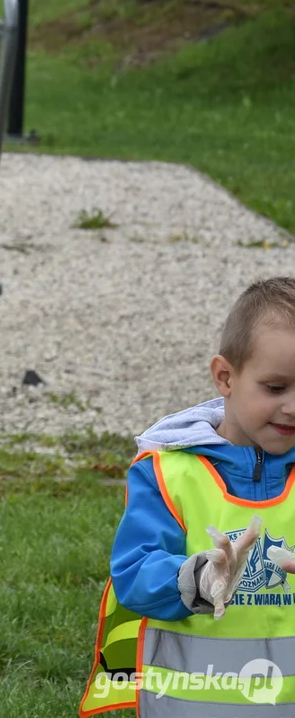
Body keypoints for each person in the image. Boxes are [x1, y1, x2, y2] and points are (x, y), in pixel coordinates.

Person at [81, 276, 295, 716]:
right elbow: (134, 576)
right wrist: (198, 579)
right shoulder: (166, 473)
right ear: (225, 377)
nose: (293, 406)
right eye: (275, 388)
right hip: (190, 705)